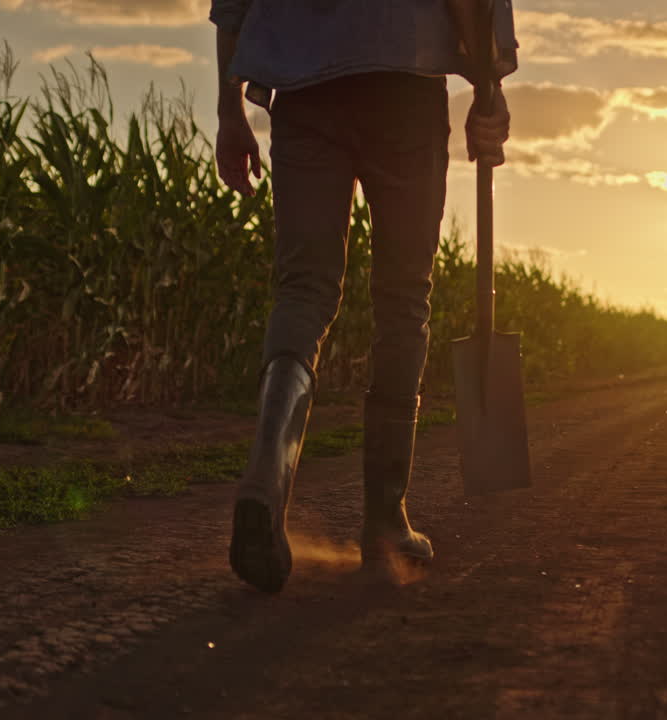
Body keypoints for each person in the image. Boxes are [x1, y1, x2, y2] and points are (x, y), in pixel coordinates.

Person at [211, 0, 516, 592]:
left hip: (305, 88)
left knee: (303, 290)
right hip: (403, 83)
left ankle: (266, 482)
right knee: (403, 298)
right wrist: (488, 90)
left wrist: (229, 110)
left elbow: (233, 6)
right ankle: (384, 521)